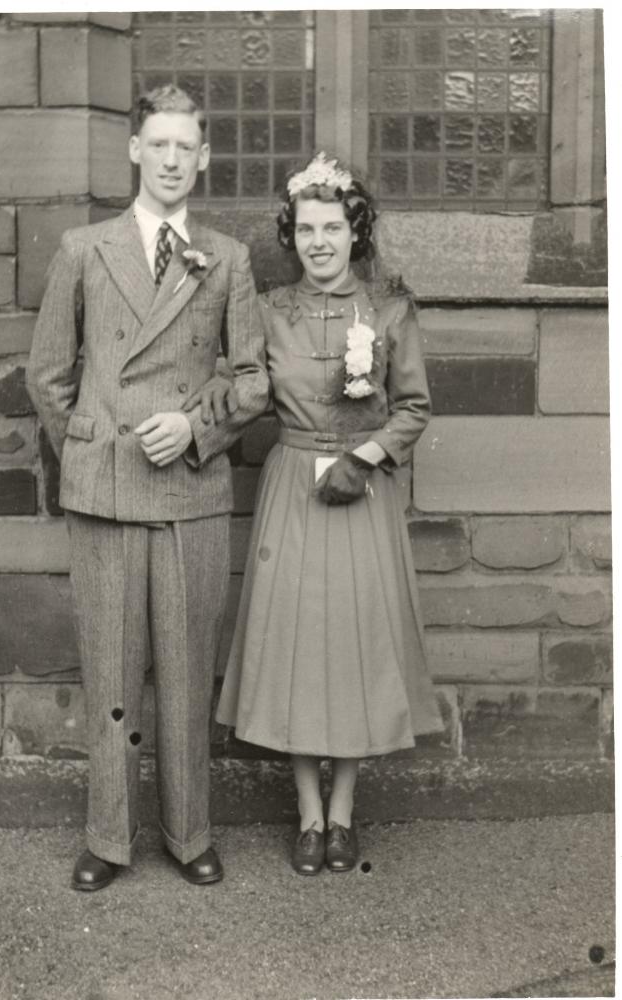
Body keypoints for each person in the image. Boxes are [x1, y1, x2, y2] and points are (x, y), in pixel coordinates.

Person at [26, 84, 269, 891]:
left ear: (203, 157)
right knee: (110, 672)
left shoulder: (226, 258)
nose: (171, 160)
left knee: (189, 669)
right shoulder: (84, 250)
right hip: (106, 495)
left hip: (190, 496)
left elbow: (253, 380)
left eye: (185, 148)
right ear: (135, 150)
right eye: (157, 145)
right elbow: (48, 375)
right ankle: (108, 835)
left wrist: (195, 431)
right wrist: (96, 450)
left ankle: (189, 831)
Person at [206, 152, 444, 875]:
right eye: (305, 228)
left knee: (355, 645)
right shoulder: (269, 314)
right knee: (300, 649)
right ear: (292, 234)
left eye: (332, 228)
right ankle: (308, 816)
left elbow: (413, 409)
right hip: (292, 490)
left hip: (360, 489)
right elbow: (239, 391)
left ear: (355, 232)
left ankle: (344, 814)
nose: (318, 242)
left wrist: (365, 459)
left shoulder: (389, 310)